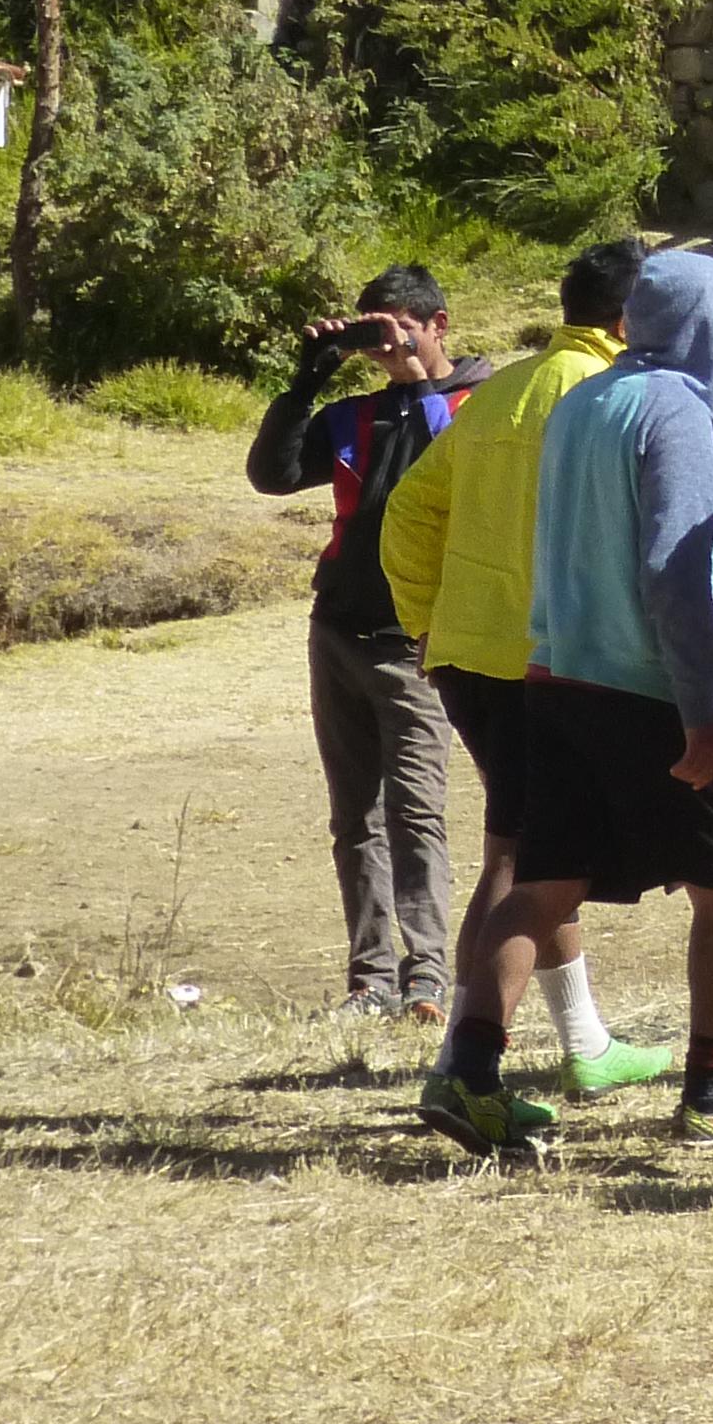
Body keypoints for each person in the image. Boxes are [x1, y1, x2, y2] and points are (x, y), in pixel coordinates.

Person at [447, 248, 713, 1150]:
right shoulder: (678, 411)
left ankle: (467, 1074)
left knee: (542, 883)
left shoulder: (585, 399)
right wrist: (699, 707)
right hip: (651, 686)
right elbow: (678, 574)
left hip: (557, 677)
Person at [379, 236, 676, 1145]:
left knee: (547, 851)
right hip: (545, 660)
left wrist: (427, 616)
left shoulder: (497, 389)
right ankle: (461, 1069)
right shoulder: (607, 397)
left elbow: (409, 510)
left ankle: (582, 1042)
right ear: (628, 322)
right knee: (518, 863)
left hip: (471, 651)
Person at [249, 265, 484, 1022]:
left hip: (417, 640)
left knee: (417, 813)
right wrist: (303, 384)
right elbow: (273, 475)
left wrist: (418, 384)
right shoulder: (352, 416)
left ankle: (428, 974)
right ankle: (371, 978)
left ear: (437, 324)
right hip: (338, 633)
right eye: (370, 330)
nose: (383, 344)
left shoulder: (478, 404)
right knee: (355, 817)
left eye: (397, 328)